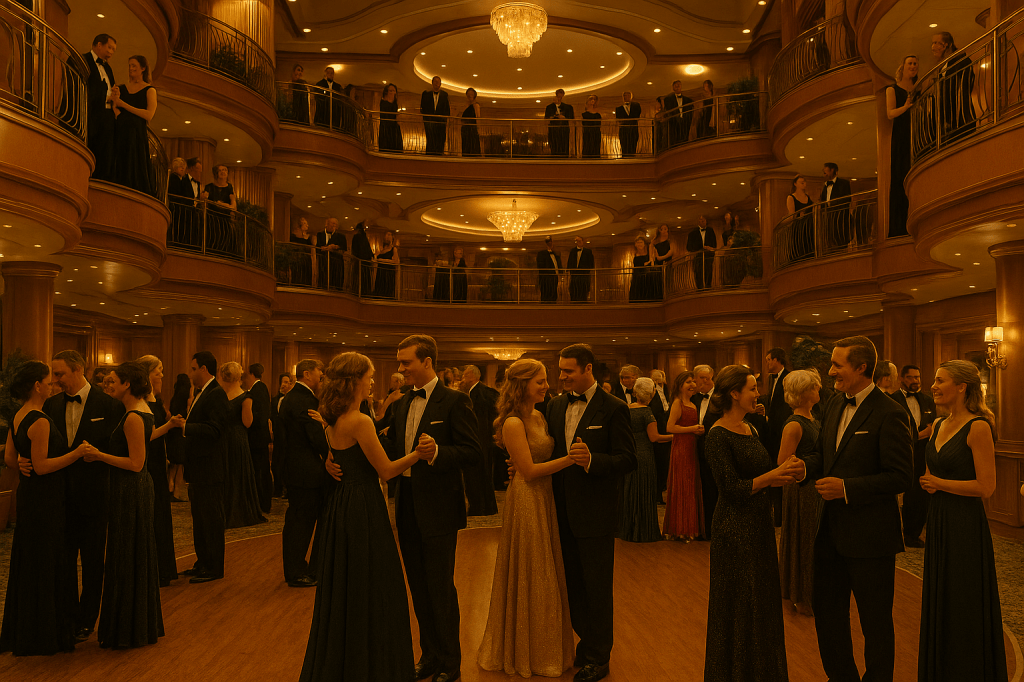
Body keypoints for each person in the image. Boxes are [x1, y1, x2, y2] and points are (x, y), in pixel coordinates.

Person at [792, 335, 914, 682]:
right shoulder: (833, 403)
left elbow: (900, 477)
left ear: (861, 367)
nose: (830, 371)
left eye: (837, 365)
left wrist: (846, 488)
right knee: (829, 617)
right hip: (830, 533)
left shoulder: (890, 412)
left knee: (875, 623)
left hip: (871, 538)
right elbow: (825, 455)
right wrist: (804, 468)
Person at [299, 353, 425, 682]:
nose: (372, 382)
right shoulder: (359, 420)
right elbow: (386, 471)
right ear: (354, 380)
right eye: (369, 377)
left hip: (342, 504)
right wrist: (417, 454)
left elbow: (338, 458)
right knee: (375, 586)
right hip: (363, 506)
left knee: (347, 586)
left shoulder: (334, 418)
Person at [376, 335, 482, 682]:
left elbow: (472, 452)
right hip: (406, 503)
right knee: (418, 587)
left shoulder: (455, 400)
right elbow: (394, 447)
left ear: (427, 362)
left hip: (439, 507)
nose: (401, 368)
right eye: (399, 362)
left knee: (440, 588)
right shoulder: (403, 402)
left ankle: (451, 662)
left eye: (406, 362)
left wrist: (438, 452)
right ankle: (430, 655)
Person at [542, 343, 636, 681]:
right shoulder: (554, 405)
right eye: (561, 371)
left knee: (597, 586)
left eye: (569, 371)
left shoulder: (613, 407)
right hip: (559, 509)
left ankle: (599, 655)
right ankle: (585, 642)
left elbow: (628, 459)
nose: (562, 377)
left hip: (596, 513)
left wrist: (593, 461)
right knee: (571, 584)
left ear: (588, 369)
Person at [703, 365, 802, 681]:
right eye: (752, 388)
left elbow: (760, 476)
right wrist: (773, 475)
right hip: (734, 529)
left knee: (760, 600)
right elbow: (731, 489)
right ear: (734, 393)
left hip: (759, 525)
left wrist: (785, 475)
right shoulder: (717, 435)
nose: (758, 394)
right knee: (739, 602)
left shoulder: (751, 428)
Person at [478, 359, 575, 677]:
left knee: (546, 570)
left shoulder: (539, 415)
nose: (547, 386)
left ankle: (544, 647)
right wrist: (571, 460)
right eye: (541, 381)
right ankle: (526, 652)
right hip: (527, 498)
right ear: (522, 385)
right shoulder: (513, 422)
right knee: (533, 570)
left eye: (546, 380)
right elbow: (529, 471)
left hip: (545, 496)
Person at [918, 360, 1007, 682]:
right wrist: (933, 482)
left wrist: (939, 484)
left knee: (963, 597)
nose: (933, 386)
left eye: (940, 380)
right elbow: (932, 470)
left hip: (965, 524)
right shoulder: (939, 424)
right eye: (934, 379)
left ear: (961, 387)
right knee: (942, 594)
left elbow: (986, 487)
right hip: (938, 518)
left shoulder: (978, 427)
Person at [0, 360, 87, 656]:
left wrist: (20, 463)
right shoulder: (39, 420)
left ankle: (27, 626)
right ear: (37, 386)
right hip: (45, 499)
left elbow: (10, 457)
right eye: (48, 381)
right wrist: (76, 453)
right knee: (47, 559)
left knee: (31, 558)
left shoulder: (19, 415)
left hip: (29, 496)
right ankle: (44, 632)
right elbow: (42, 466)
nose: (52, 385)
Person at [42, 349, 124, 642]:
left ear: (78, 370)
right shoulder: (51, 405)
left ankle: (88, 619)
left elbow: (118, 450)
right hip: (60, 497)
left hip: (95, 496)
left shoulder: (109, 405)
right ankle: (66, 616)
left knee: (92, 562)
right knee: (63, 560)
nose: (56, 380)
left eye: (60, 374)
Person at [85, 362, 164, 649]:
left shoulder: (133, 416)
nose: (109, 386)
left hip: (130, 488)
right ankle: (133, 625)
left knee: (126, 554)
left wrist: (98, 455)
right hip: (135, 487)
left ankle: (127, 628)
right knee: (132, 554)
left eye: (113, 381)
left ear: (127, 384)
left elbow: (135, 463)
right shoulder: (142, 410)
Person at [278, 359, 328, 588]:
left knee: (297, 521)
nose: (322, 377)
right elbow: (316, 438)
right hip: (305, 472)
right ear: (307, 374)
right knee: (301, 523)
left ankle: (295, 568)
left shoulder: (293, 397)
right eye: (319, 373)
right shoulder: (304, 400)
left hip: (296, 469)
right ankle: (296, 571)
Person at [182, 351, 230, 583]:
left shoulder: (216, 394)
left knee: (211, 520)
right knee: (200, 520)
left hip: (210, 468)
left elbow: (216, 430)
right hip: (199, 468)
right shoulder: (203, 393)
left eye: (193, 369)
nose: (190, 373)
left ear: (203, 369)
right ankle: (202, 562)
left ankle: (213, 567)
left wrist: (186, 427)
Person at [777, 369, 821, 617]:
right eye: (814, 386)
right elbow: (783, 462)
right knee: (804, 543)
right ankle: (801, 596)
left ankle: (808, 593)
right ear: (804, 392)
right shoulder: (794, 424)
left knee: (812, 543)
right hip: (801, 491)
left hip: (813, 489)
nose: (819, 389)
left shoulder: (812, 417)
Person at [136, 355, 182, 586]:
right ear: (147, 374)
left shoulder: (154, 399)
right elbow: (148, 435)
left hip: (157, 462)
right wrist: (170, 425)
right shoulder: (141, 402)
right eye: (158, 371)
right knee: (152, 512)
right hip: (148, 463)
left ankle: (162, 568)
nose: (162, 375)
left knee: (160, 512)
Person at [218, 362, 266, 529]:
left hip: (222, 438)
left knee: (225, 473)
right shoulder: (245, 397)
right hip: (238, 439)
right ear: (239, 376)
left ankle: (224, 510)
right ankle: (239, 511)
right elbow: (247, 422)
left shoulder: (219, 395)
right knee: (238, 473)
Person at [621, 378, 670, 542]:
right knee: (644, 492)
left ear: (635, 392)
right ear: (652, 393)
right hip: (644, 456)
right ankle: (644, 531)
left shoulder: (626, 409)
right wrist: (675, 437)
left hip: (629, 454)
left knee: (631, 492)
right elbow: (654, 437)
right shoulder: (646, 412)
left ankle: (629, 529)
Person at [898, 365, 936, 548]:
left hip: (922, 454)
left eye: (917, 377)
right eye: (911, 377)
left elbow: (933, 427)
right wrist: (921, 435)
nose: (915, 381)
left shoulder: (928, 400)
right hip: (900, 452)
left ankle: (913, 534)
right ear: (902, 378)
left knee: (919, 494)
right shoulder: (892, 400)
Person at [663, 371, 704, 540]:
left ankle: (689, 527)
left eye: (693, 381)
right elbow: (670, 427)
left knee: (690, 487)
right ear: (680, 385)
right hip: (681, 448)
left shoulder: (693, 404)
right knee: (682, 486)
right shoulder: (677, 403)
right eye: (688, 382)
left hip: (692, 447)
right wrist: (692, 429)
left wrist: (698, 431)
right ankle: (679, 529)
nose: (692, 385)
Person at [111, 55, 158, 196]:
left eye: (134, 65)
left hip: (137, 133)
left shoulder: (149, 90)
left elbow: (149, 115)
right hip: (121, 129)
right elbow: (114, 106)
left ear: (143, 68)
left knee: (136, 164)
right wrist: (116, 105)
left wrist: (123, 105)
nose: (131, 68)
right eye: (130, 65)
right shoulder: (121, 88)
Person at [885, 56, 918, 237]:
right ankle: (899, 228)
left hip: (916, 133)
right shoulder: (892, 89)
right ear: (903, 67)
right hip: (901, 135)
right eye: (910, 63)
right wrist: (905, 107)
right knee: (900, 176)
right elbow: (890, 114)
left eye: (915, 63)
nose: (913, 66)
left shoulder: (918, 87)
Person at [461, 365, 499, 517]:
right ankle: (488, 507)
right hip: (485, 441)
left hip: (477, 440)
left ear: (472, 376)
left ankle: (478, 507)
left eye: (464, 375)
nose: (462, 379)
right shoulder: (485, 392)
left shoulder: (478, 394)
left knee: (475, 476)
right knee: (485, 475)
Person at [82, 34, 117, 180]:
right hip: (91, 115)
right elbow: (81, 88)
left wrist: (115, 94)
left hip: (106, 115)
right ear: (99, 45)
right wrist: (104, 97)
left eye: (113, 49)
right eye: (110, 47)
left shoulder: (108, 68)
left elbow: (110, 86)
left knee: (106, 151)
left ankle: (102, 180)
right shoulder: (83, 60)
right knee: (91, 149)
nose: (111, 52)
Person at [932, 32, 975, 145]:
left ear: (948, 45)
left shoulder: (961, 61)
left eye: (937, 43)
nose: (933, 47)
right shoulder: (942, 69)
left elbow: (963, 90)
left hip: (961, 122)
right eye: (933, 43)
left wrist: (958, 120)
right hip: (947, 125)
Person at [692, 364, 719, 537]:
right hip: (696, 449)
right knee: (700, 489)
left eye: (706, 378)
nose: (704, 381)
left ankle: (714, 528)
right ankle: (702, 528)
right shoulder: (692, 398)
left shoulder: (720, 397)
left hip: (716, 447)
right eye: (700, 378)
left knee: (714, 488)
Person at [242, 363, 273, 513]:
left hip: (257, 438)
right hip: (259, 437)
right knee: (260, 470)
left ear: (252, 374)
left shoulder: (258, 389)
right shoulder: (259, 388)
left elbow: (259, 415)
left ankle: (262, 502)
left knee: (260, 471)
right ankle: (261, 502)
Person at [166, 373, 191, 501]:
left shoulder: (174, 398)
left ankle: (169, 487)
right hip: (182, 434)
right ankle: (176, 492)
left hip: (172, 433)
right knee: (181, 464)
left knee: (173, 464)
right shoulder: (188, 399)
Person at [648, 369, 672, 504]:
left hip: (666, 430)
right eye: (658, 379)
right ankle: (656, 494)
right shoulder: (651, 392)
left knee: (664, 464)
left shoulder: (665, 390)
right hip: (655, 431)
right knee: (658, 464)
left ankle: (660, 492)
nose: (661, 380)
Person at [204, 164, 237, 256]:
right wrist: (225, 205)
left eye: (225, 170)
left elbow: (233, 206)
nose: (223, 172)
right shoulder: (209, 187)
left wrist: (221, 204)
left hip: (225, 218)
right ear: (216, 173)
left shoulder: (229, 188)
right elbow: (205, 202)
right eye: (220, 170)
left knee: (225, 239)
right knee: (213, 238)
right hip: (212, 218)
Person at [271, 372, 293, 498]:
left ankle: (288, 490)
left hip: (289, 438)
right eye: (282, 382)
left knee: (287, 465)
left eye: (286, 382)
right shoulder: (275, 399)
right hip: (278, 438)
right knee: (276, 464)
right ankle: (277, 488)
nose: (283, 385)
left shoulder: (293, 400)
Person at [821, 162, 853, 250]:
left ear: (832, 170)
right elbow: (823, 201)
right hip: (829, 218)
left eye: (825, 170)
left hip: (841, 218)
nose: (824, 173)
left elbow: (847, 199)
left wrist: (833, 206)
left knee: (841, 241)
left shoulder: (844, 183)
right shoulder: (825, 185)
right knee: (830, 241)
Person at [786, 175, 815, 262]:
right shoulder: (791, 197)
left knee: (810, 251)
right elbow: (792, 215)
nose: (804, 184)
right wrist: (799, 215)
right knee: (799, 251)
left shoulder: (808, 197)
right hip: (798, 228)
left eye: (804, 182)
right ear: (795, 184)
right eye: (801, 182)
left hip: (809, 227)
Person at [421, 76, 450, 155]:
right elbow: (423, 108)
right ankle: (429, 156)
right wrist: (427, 120)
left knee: (440, 140)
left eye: (438, 82)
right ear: (432, 83)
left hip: (440, 123)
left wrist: (444, 120)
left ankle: (439, 155)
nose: (437, 83)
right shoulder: (426, 94)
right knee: (430, 139)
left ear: (440, 84)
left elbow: (447, 109)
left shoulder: (445, 95)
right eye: (435, 81)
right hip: (429, 122)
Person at [315, 217, 347, 291]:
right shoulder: (320, 234)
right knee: (323, 279)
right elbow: (318, 247)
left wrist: (335, 247)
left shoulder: (341, 236)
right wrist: (324, 248)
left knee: (336, 279)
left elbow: (344, 248)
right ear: (326, 224)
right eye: (332, 223)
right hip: (324, 262)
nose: (334, 225)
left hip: (336, 262)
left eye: (335, 224)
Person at [686, 216, 716, 290]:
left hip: (708, 255)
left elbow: (714, 244)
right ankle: (700, 288)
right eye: (700, 220)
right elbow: (689, 247)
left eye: (703, 220)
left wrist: (709, 248)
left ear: (706, 221)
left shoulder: (710, 230)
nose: (702, 221)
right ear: (698, 222)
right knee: (698, 271)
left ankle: (708, 286)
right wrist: (697, 250)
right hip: (698, 256)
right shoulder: (692, 233)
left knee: (708, 270)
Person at [545, 89, 574, 157]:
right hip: (553, 129)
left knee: (564, 144)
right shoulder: (549, 107)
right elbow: (546, 118)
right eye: (558, 96)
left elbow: (572, 118)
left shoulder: (568, 107)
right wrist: (555, 116)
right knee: (554, 144)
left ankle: (565, 157)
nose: (559, 98)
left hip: (564, 129)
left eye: (561, 97)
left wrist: (564, 118)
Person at [664, 80, 693, 148]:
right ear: (673, 88)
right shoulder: (668, 99)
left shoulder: (688, 100)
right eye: (675, 86)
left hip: (685, 122)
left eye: (679, 85)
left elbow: (690, 111)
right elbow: (669, 111)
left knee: (684, 140)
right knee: (674, 140)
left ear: (681, 87)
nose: (677, 87)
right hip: (674, 122)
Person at [372, 231, 400, 298]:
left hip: (388, 273)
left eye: (389, 235)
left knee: (386, 292)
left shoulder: (394, 249)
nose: (387, 236)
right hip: (380, 273)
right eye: (386, 235)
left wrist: (381, 260)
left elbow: (396, 261)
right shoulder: (381, 250)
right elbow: (375, 257)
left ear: (392, 238)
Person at [567, 235, 594, 302]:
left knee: (583, 288)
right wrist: (569, 270)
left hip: (584, 274)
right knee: (574, 288)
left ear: (582, 241)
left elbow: (591, 263)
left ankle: (583, 300)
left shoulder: (588, 251)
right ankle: (574, 300)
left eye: (580, 241)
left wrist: (588, 271)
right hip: (574, 274)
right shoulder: (572, 251)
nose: (578, 242)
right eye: (577, 241)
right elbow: (570, 261)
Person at [651, 223, 674, 300]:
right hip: (659, 263)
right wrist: (655, 259)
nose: (664, 231)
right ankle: (659, 296)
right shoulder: (655, 241)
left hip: (668, 262)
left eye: (665, 229)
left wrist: (662, 258)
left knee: (668, 279)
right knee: (659, 279)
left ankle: (669, 295)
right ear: (659, 230)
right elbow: (653, 251)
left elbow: (671, 251)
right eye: (662, 229)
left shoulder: (670, 240)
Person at [614, 91, 641, 158]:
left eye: (628, 95)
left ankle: (633, 157)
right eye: (625, 96)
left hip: (633, 129)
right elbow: (618, 119)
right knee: (624, 146)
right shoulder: (619, 109)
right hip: (624, 130)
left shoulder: (636, 106)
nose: (626, 97)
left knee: (633, 145)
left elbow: (637, 115)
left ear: (631, 97)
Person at [379, 83, 404, 153]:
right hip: (386, 125)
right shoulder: (383, 102)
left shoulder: (395, 102)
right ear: (387, 92)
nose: (392, 92)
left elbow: (395, 112)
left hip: (394, 125)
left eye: (394, 90)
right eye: (390, 91)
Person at [352, 221, 374, 296]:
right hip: (364, 261)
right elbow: (367, 249)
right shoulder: (363, 237)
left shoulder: (358, 237)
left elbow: (355, 250)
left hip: (361, 261)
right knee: (364, 278)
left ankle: (360, 291)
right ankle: (364, 292)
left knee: (361, 277)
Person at [536, 236, 562, 303]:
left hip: (554, 276)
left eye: (551, 242)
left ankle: (553, 303)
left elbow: (558, 264)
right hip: (545, 277)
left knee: (554, 291)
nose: (550, 244)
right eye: (548, 242)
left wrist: (560, 273)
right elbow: (540, 265)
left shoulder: (556, 254)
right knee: (546, 291)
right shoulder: (541, 254)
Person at [628, 235, 653, 302]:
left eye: (641, 242)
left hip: (647, 276)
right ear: (635, 244)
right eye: (638, 242)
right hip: (637, 276)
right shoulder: (635, 254)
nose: (639, 244)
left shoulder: (648, 253)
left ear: (644, 244)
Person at [460, 88, 481, 157]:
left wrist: (478, 129)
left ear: (474, 95)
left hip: (472, 128)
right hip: (465, 128)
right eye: (468, 94)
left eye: (471, 94)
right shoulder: (465, 106)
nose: (469, 95)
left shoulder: (476, 105)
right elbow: (460, 116)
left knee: (473, 145)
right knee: (466, 145)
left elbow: (478, 117)